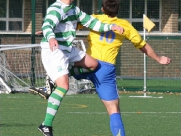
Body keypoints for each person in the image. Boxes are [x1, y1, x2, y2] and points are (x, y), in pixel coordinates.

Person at [32, 0, 171, 135]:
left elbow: (73, 24)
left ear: (102, 9)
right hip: (105, 70)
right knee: (113, 109)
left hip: (83, 66)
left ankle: (56, 77)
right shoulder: (125, 25)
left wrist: (48, 31)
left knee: (67, 73)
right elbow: (143, 45)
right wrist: (159, 58)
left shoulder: (94, 17)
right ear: (118, 10)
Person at [36, 0, 124, 136]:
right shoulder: (56, 8)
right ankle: (46, 125)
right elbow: (47, 25)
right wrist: (51, 37)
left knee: (93, 64)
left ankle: (55, 78)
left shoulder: (74, 9)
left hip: (67, 49)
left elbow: (91, 22)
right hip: (54, 50)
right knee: (64, 86)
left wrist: (111, 26)